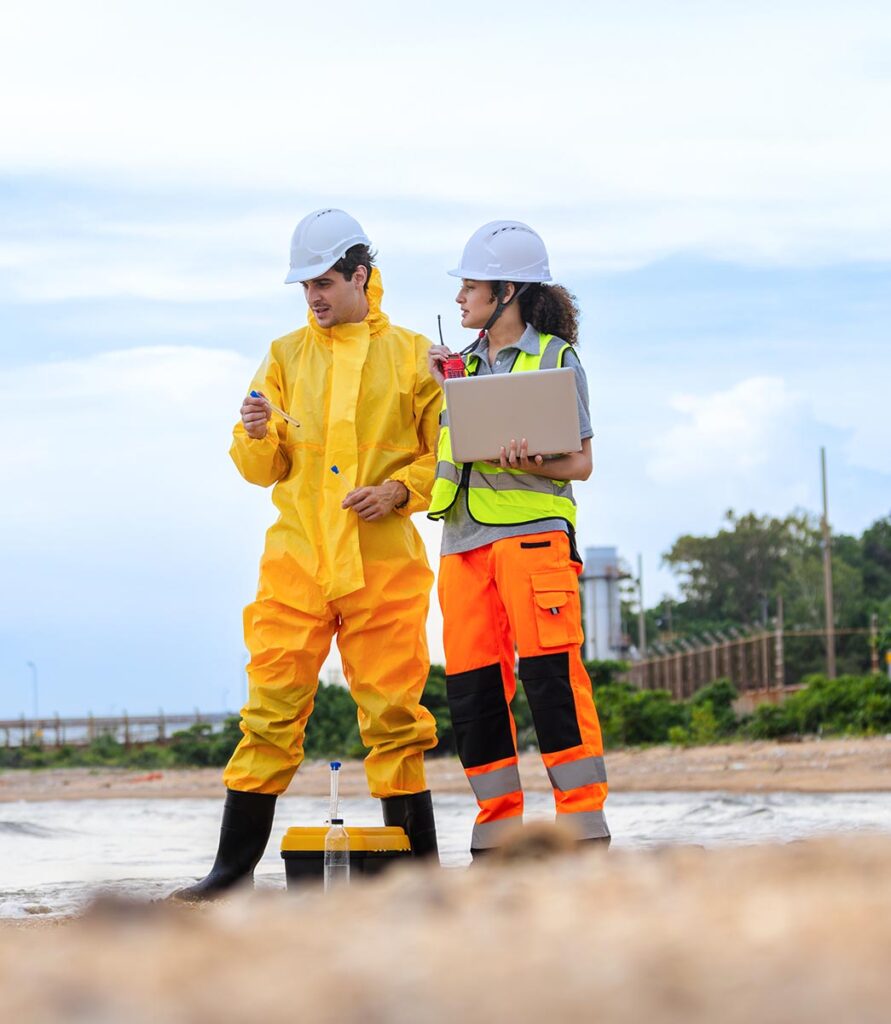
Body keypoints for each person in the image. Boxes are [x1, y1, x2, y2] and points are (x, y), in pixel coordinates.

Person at [174, 208, 442, 900]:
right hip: (296, 563)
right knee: (266, 714)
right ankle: (228, 875)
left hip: (382, 563)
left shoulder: (415, 356)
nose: (314, 298)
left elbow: (443, 454)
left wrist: (396, 492)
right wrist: (256, 432)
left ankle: (419, 875)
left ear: (360, 275)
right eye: (305, 288)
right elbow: (260, 467)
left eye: (324, 282)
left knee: (394, 719)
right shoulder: (284, 353)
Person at [426, 220, 609, 856]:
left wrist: (530, 463)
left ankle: (582, 826)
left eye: (469, 287)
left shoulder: (558, 359)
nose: (460, 299)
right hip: (461, 542)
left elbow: (581, 464)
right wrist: (445, 386)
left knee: (552, 679)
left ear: (506, 291)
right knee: (474, 692)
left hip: (533, 542)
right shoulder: (460, 366)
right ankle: (498, 834)